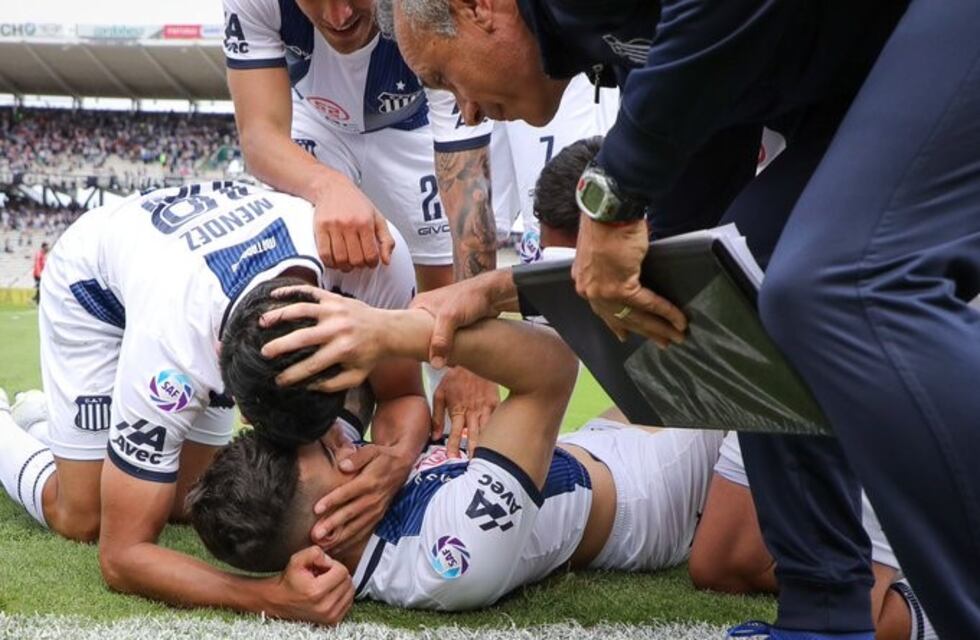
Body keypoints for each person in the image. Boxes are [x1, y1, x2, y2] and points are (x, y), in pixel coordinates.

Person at [360, 2, 980, 637]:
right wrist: (500, 290)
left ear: (477, 9)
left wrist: (616, 187)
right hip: (882, 80)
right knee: (737, 292)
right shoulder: (614, 44)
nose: (461, 109)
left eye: (442, 77)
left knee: (838, 281)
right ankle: (824, 620)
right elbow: (688, 262)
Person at [0, 181, 429, 625]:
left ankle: (51, 424)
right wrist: (267, 596)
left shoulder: (373, 261)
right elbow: (122, 556)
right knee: (83, 517)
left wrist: (396, 461)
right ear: (222, 368)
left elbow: (403, 394)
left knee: (187, 501)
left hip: (188, 257)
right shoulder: (171, 347)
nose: (336, 443)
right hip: (96, 287)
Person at [189, 283, 723, 610]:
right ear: (324, 531)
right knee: (748, 342)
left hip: (599, 445)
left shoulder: (338, 495)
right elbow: (555, 367)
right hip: (656, 491)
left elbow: (339, 379)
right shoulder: (448, 554)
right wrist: (399, 333)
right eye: (332, 452)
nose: (341, 438)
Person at [222, 0, 503, 440]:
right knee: (309, 270)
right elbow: (260, 136)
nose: (339, 16)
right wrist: (327, 186)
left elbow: (469, 189)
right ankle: (322, 436)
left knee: (444, 297)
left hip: (415, 130)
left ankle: (448, 443)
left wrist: (478, 359)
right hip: (315, 124)